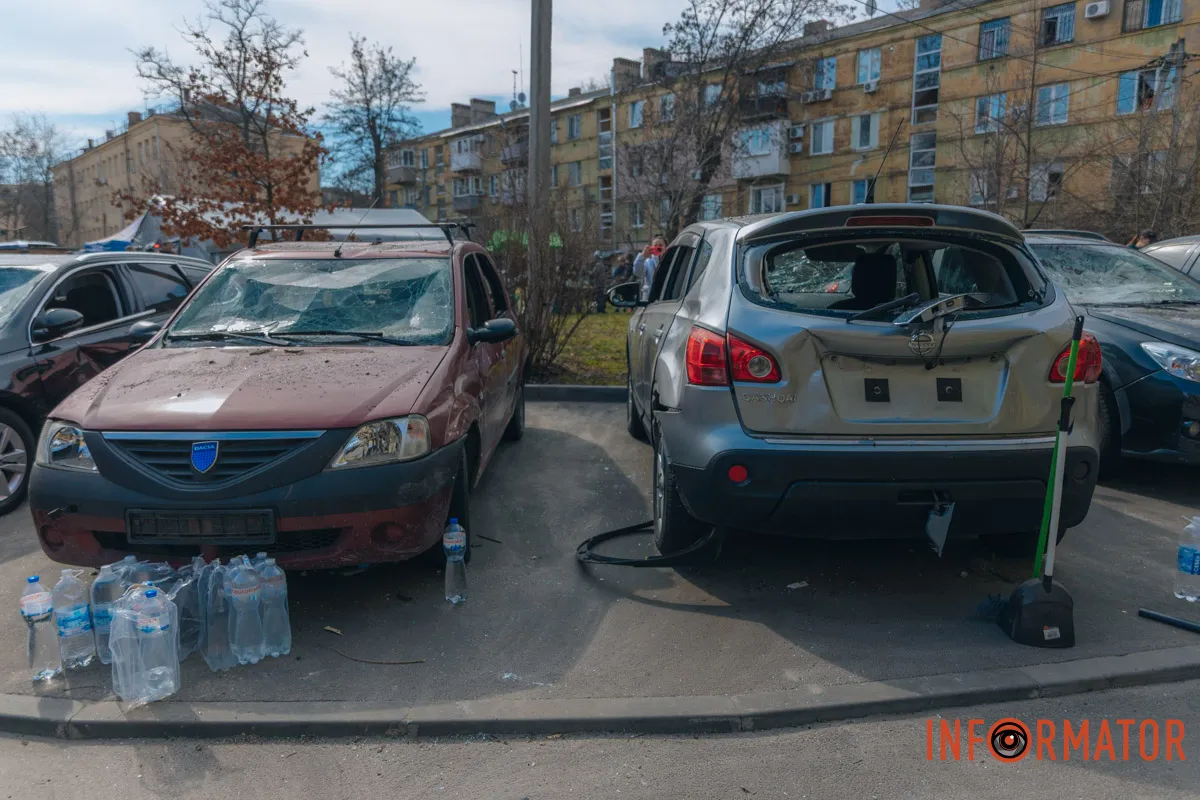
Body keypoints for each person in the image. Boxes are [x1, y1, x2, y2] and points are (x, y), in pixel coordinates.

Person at [632, 235, 667, 302]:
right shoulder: (648, 262)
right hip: (650, 299)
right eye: (655, 246)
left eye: (660, 245)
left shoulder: (671, 260)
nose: (658, 248)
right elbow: (637, 273)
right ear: (651, 248)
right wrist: (642, 256)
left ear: (666, 247)